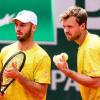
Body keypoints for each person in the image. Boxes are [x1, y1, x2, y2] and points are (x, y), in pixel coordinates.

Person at [0, 10, 51, 100]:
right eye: (16, 24)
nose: (18, 29)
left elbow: (40, 94)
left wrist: (18, 76)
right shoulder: (5, 51)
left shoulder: (42, 57)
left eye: (22, 25)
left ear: (34, 27)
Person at [53, 6, 100, 100]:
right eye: (64, 27)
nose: (66, 30)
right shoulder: (87, 43)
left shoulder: (90, 46)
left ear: (82, 26)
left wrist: (67, 72)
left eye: (70, 27)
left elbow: (96, 82)